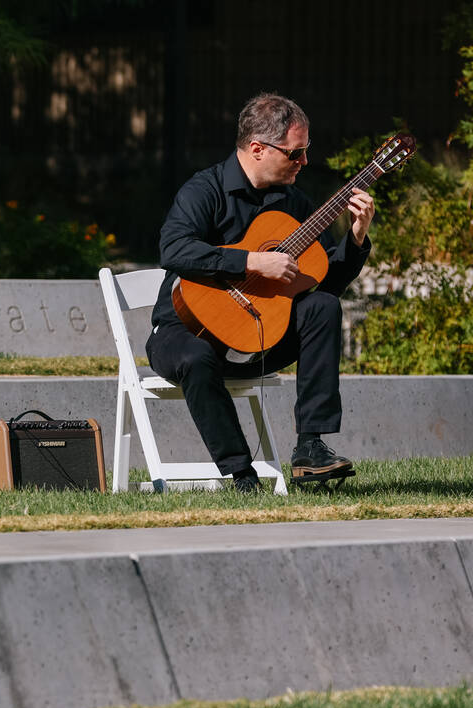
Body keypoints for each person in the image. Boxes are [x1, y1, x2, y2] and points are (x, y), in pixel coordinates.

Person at [146, 93, 375, 492]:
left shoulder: (294, 204)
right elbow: (174, 249)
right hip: (186, 332)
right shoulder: (205, 190)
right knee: (196, 357)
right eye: (296, 153)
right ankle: (242, 476)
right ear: (257, 149)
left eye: (307, 151)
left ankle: (310, 448)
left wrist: (356, 238)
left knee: (322, 306)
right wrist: (251, 262)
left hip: (259, 340)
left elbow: (323, 284)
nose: (304, 161)